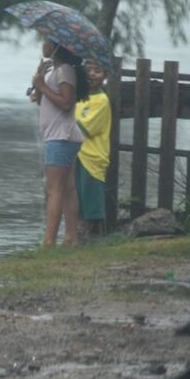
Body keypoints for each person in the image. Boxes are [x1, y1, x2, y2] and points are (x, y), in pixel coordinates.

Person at [29, 38, 89, 247]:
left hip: (60, 136)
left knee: (54, 189)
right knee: (68, 188)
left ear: (55, 47)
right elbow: (40, 100)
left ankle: (49, 241)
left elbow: (66, 103)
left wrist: (42, 86)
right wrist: (38, 83)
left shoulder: (65, 71)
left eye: (45, 41)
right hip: (60, 136)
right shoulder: (53, 72)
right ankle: (71, 238)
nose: (42, 44)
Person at [75, 60, 111, 236]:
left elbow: (85, 128)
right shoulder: (80, 97)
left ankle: (93, 238)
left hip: (92, 157)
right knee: (77, 198)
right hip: (76, 154)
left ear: (105, 75)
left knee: (91, 201)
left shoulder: (101, 100)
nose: (91, 74)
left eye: (97, 70)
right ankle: (78, 236)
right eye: (88, 69)